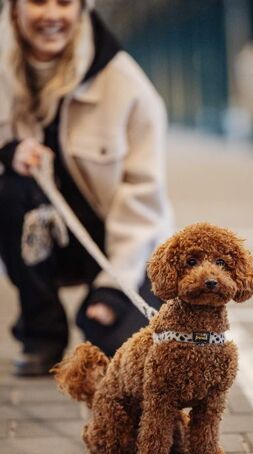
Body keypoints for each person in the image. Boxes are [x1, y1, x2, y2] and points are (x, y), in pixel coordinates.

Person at [0, 0, 172, 376]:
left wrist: (113, 288)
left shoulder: (126, 84)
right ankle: (42, 330)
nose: (51, 14)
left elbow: (143, 202)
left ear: (82, 11)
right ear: (14, 10)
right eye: (37, 1)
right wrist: (7, 153)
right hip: (45, 237)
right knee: (11, 191)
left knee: (120, 347)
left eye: (64, 3)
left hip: (121, 245)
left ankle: (98, 306)